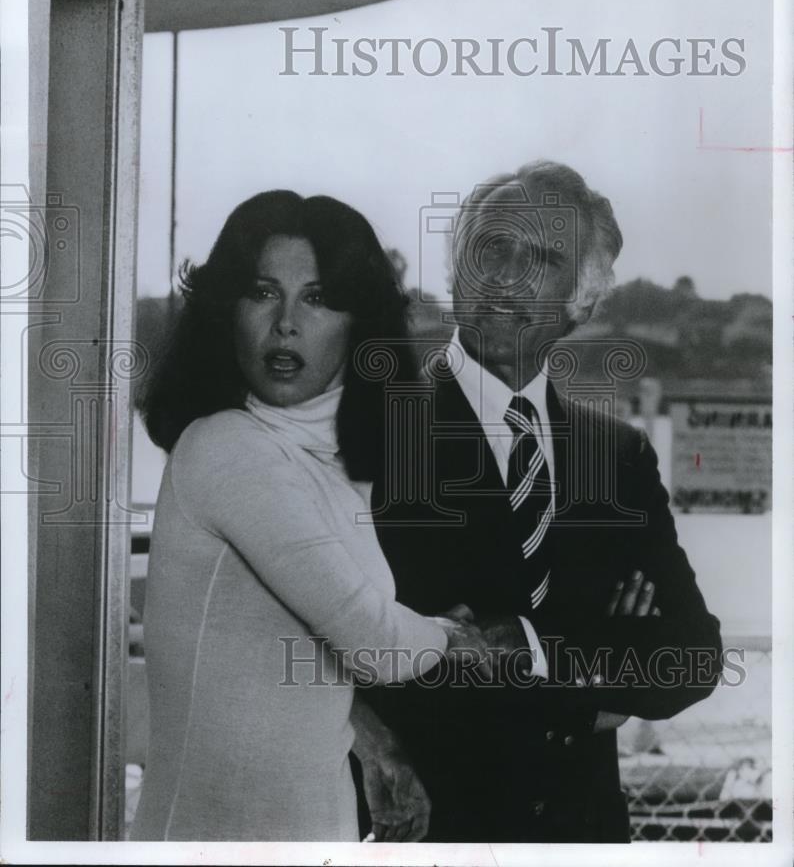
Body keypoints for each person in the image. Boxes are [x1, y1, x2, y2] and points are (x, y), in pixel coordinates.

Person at [360, 160, 723, 842]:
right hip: (429, 835)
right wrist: (597, 675)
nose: (508, 276)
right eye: (492, 247)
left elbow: (692, 655)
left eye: (547, 257)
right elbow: (361, 662)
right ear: (456, 272)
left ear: (582, 303)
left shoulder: (617, 456)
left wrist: (529, 644)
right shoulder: (376, 432)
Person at [130, 190, 490, 842]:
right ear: (226, 312)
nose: (287, 323)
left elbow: (277, 661)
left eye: (318, 298)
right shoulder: (226, 445)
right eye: (264, 293)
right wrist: (458, 636)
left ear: (360, 323)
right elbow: (376, 643)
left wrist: (370, 739)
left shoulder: (324, 465)